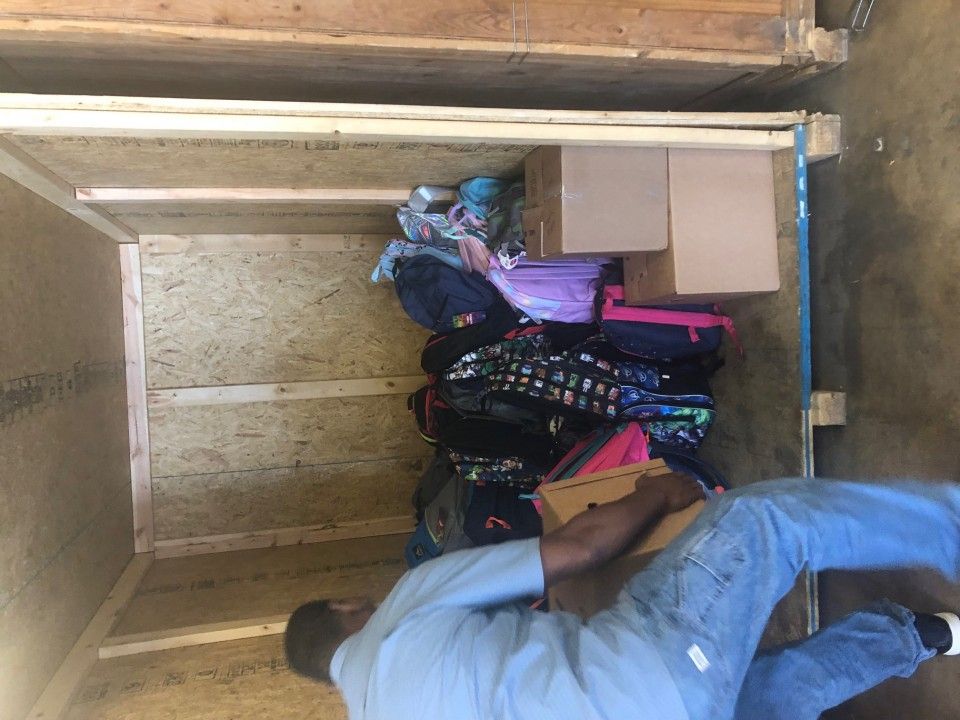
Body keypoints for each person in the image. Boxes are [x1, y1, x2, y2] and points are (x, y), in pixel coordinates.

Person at [285, 475, 960, 720]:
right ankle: (949, 528)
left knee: (772, 693)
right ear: (344, 610)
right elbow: (577, 551)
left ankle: (924, 638)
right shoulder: (402, 607)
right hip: (651, 665)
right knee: (763, 523)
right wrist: (653, 496)